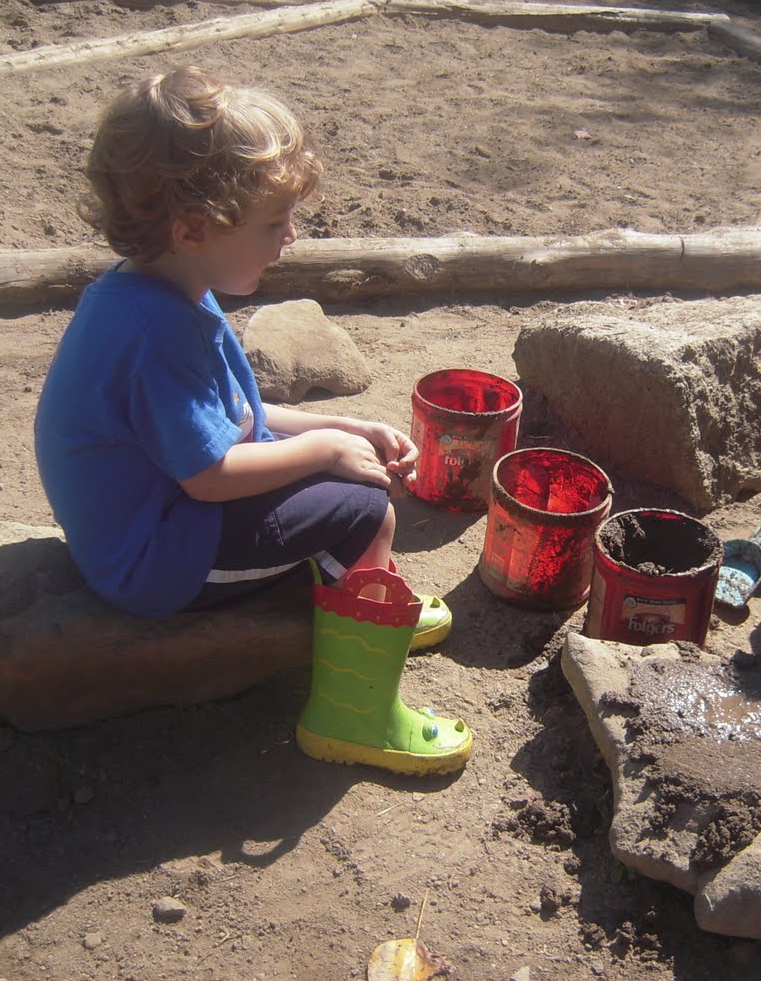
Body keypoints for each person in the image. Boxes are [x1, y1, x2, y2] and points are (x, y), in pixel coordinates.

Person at [35, 66, 469, 772]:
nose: (291, 237)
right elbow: (209, 471)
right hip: (152, 559)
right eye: (275, 223)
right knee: (364, 510)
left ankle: (364, 595)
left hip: (162, 512)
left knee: (347, 485)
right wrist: (326, 450)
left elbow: (229, 415)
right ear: (194, 226)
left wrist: (343, 428)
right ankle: (352, 715)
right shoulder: (156, 334)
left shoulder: (160, 289)